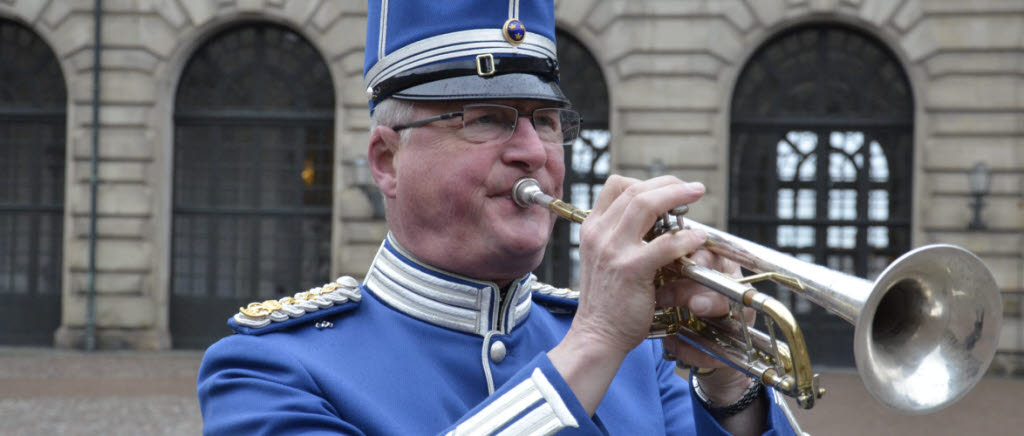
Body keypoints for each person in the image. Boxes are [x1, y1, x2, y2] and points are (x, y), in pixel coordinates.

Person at [197, 1, 798, 435]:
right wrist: (590, 344)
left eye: (544, 121)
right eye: (485, 118)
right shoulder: (269, 370)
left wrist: (729, 390)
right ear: (387, 161)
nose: (534, 152)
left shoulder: (639, 355)